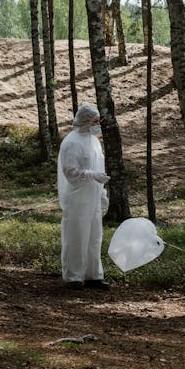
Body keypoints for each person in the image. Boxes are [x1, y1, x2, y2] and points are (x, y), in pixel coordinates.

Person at [57, 103, 110, 291]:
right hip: (77, 199)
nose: (98, 124)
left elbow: (100, 168)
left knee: (94, 237)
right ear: (86, 120)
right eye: (95, 120)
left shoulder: (94, 141)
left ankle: (93, 275)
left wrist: (102, 191)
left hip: (93, 197)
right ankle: (74, 276)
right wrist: (90, 176)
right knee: (76, 237)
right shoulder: (71, 142)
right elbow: (70, 172)